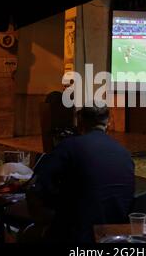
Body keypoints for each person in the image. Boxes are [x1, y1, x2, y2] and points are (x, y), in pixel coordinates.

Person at [32, 103, 135, 243]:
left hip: (78, 234)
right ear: (108, 122)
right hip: (117, 236)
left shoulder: (69, 146)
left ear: (80, 122)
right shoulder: (125, 154)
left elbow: (42, 184)